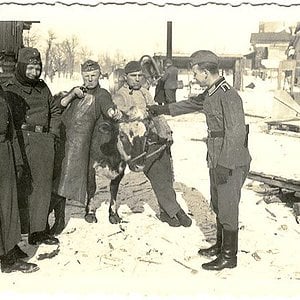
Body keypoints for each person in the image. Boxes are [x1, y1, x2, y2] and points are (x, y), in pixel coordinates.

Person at [148, 50, 251, 270]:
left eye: (195, 73)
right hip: (216, 156)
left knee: (228, 206)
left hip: (230, 159)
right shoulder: (211, 93)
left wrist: (225, 163)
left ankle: (229, 257)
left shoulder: (228, 94)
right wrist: (163, 109)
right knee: (218, 202)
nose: (194, 78)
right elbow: (190, 104)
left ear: (205, 72)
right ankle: (220, 246)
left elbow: (236, 132)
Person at [112, 60, 192, 227]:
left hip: (152, 137)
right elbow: (122, 122)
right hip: (136, 144)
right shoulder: (121, 95)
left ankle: (167, 211)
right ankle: (174, 210)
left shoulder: (145, 92)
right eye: (133, 76)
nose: (137, 79)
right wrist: (139, 116)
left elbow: (156, 112)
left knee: (166, 171)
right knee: (157, 172)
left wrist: (165, 130)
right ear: (126, 77)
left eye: (140, 75)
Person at [2, 47, 61, 246]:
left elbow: (54, 111)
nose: (35, 72)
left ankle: (39, 230)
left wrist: (52, 135)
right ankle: (19, 233)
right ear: (21, 67)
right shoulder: (11, 88)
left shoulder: (43, 87)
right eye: (30, 68)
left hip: (43, 142)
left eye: (37, 68)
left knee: (42, 189)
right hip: (22, 142)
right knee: (22, 188)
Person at [56, 60, 122, 209]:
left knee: (81, 174)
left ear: (99, 75)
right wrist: (73, 94)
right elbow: (60, 105)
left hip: (89, 143)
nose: (90, 79)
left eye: (93, 75)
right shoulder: (77, 91)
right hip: (71, 139)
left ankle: (90, 205)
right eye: (87, 76)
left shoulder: (102, 93)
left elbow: (107, 106)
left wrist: (112, 112)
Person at [0, 86, 39, 273]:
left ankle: (8, 247)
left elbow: (10, 130)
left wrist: (16, 158)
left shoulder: (1, 92)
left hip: (4, 152)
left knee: (8, 204)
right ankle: (7, 259)